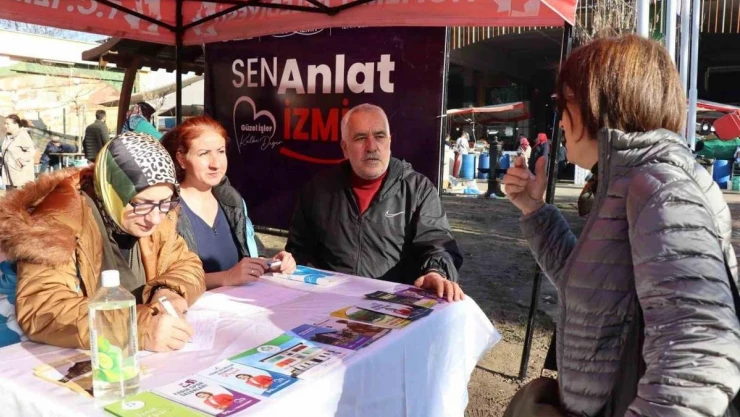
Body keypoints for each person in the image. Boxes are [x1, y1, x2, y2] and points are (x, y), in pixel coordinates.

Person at [502, 35, 740, 417]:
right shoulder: (629, 183)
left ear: (601, 103)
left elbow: (700, 353)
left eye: (565, 103)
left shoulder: (659, 188)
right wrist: (534, 208)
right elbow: (597, 290)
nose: (560, 118)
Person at [0, 131, 206, 352]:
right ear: (112, 191)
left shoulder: (160, 215)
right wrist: (136, 329)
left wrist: (167, 290)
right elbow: (42, 309)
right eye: (140, 203)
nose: (155, 218)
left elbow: (187, 264)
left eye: (166, 202)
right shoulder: (57, 224)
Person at [287, 103, 464, 302]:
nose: (371, 147)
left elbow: (438, 243)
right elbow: (298, 249)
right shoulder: (318, 189)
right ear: (345, 148)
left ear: (390, 141)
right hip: (330, 303)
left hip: (393, 305)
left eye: (379, 136)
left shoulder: (418, 190)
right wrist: (288, 261)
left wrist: (436, 273)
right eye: (360, 138)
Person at [161, 116, 296, 289]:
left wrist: (271, 263)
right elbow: (165, 278)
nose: (216, 164)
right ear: (181, 159)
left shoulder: (231, 201)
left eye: (220, 151)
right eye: (204, 153)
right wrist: (226, 277)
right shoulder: (165, 208)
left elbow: (249, 256)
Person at [2, 114, 36, 189]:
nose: (5, 126)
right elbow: (8, 151)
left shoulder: (22, 135)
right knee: (10, 195)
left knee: (19, 195)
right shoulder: (8, 136)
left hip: (20, 174)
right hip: (9, 173)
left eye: (7, 124)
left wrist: (21, 160)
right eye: (5, 124)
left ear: (16, 124)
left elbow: (31, 150)